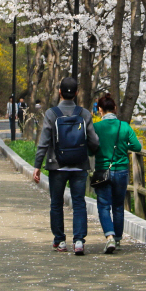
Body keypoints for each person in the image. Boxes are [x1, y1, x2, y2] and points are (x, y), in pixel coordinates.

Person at [32, 77, 99, 255]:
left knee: (56, 203)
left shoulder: (51, 114)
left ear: (60, 92)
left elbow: (44, 142)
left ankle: (60, 241)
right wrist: (91, 152)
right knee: (79, 203)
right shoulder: (84, 114)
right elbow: (94, 141)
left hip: (57, 166)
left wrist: (37, 165)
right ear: (76, 93)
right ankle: (78, 241)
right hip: (79, 166)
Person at [91, 93, 141, 254]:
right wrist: (124, 145)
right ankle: (118, 240)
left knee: (104, 206)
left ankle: (109, 237)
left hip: (102, 170)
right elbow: (137, 147)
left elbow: (90, 150)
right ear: (115, 109)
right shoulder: (124, 126)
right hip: (121, 171)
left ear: (100, 110)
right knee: (118, 206)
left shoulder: (96, 127)